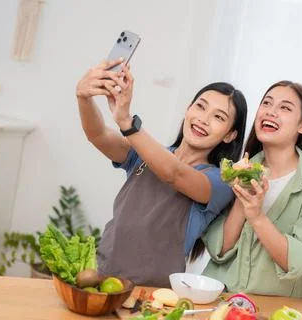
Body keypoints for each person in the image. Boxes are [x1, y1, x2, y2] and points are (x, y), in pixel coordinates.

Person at [75, 59, 247, 287]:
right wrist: (83, 98)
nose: (203, 119)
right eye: (201, 106)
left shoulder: (219, 182)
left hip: (151, 295)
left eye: (218, 117)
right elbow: (97, 134)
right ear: (188, 109)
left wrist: (127, 122)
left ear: (230, 135)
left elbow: (174, 174)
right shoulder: (147, 155)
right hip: (102, 278)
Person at [202, 81, 302, 299]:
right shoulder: (236, 170)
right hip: (220, 299)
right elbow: (221, 251)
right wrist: (241, 197)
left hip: (276, 309)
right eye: (267, 103)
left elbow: (295, 263)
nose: (271, 112)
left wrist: (256, 216)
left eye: (285, 108)